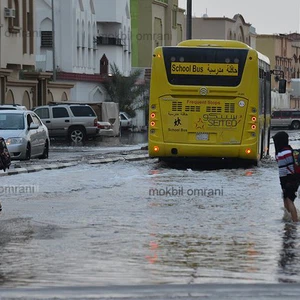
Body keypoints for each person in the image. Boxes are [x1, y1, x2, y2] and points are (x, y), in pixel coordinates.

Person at [273, 131, 299, 222]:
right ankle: (288, 220)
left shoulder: (281, 154)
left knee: (288, 200)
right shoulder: (290, 151)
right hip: (296, 178)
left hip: (289, 179)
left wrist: (283, 186)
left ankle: (294, 222)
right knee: (286, 197)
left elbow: (282, 172)